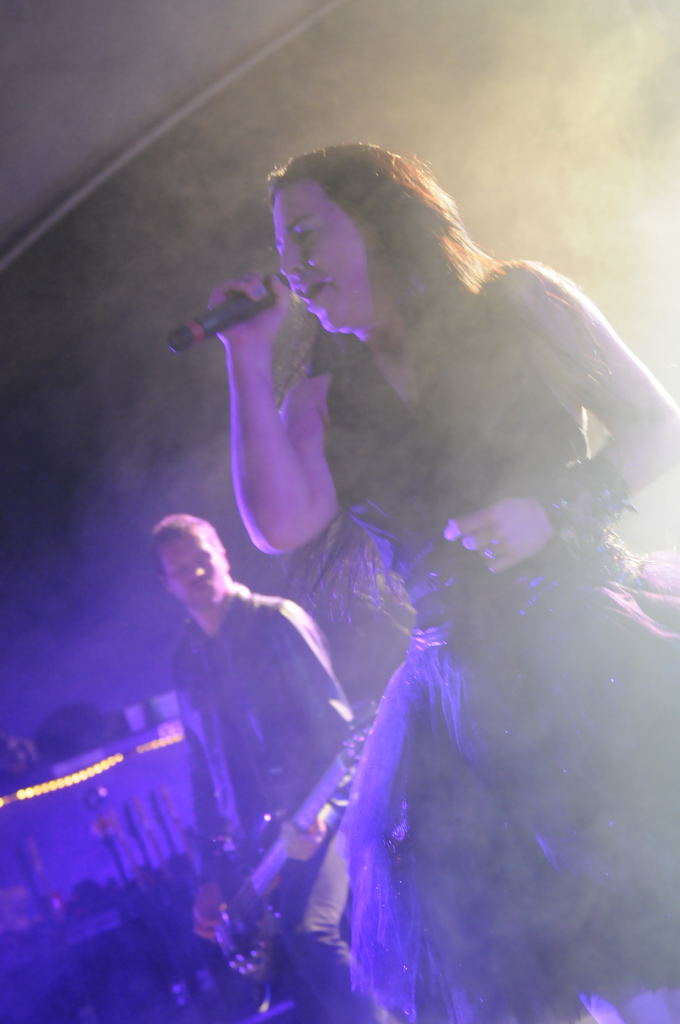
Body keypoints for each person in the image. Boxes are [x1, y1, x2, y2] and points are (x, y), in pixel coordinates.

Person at [203, 142, 680, 1024]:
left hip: (592, 644)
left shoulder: (519, 301)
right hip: (460, 706)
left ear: (378, 216)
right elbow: (279, 523)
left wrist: (557, 511)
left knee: (651, 943)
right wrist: (246, 354)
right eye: (281, 247)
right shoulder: (321, 394)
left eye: (307, 232)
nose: (293, 266)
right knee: (535, 978)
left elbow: (659, 425)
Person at [151, 513, 385, 1024]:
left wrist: (322, 811)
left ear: (223, 555)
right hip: (258, 847)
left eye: (202, 559)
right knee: (292, 974)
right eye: (181, 570)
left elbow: (341, 737)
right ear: (167, 584)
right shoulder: (186, 662)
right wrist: (210, 877)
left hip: (321, 821)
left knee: (310, 933)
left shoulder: (276, 621)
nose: (195, 574)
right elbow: (203, 775)